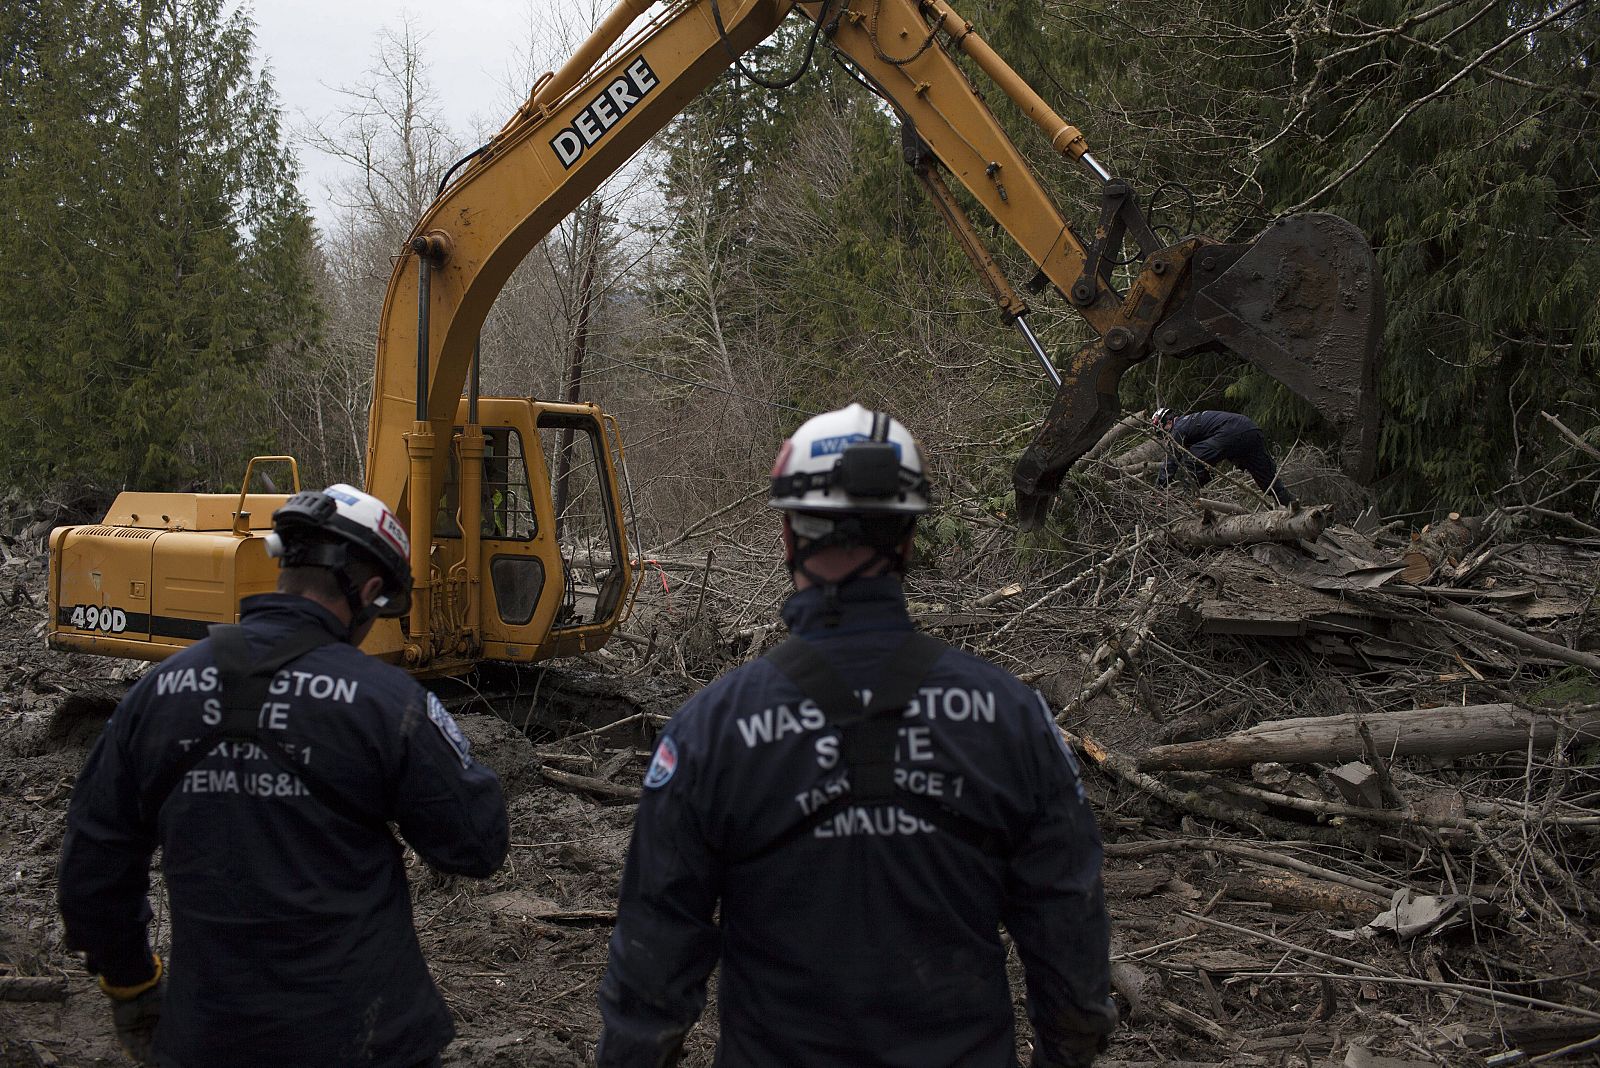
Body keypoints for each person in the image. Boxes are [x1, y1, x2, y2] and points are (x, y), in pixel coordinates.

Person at [597, 404, 1115, 1067]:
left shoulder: (711, 731)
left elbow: (651, 967)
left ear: (788, 535)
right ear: (908, 540)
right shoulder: (1012, 718)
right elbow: (1071, 939)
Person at [58, 484, 509, 1068]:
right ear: (368, 592)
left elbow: (92, 874)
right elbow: (475, 844)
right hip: (368, 1040)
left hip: (206, 1039)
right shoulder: (387, 701)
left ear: (284, 565)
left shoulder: (159, 692)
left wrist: (133, 986)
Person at [1151, 407, 1297, 504]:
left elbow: (1171, 461)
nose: (1166, 438)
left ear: (1168, 422)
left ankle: (1188, 499)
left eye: (1163, 434)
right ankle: (1292, 506)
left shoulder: (1179, 427)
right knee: (1268, 481)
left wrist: (1158, 490)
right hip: (1250, 429)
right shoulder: (1191, 422)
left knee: (1191, 458)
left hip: (1231, 432)